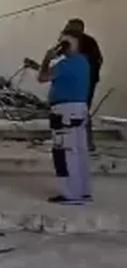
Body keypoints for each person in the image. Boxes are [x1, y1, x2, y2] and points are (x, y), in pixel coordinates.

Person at [24, 30, 91, 204]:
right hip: (79, 109)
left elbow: (43, 77)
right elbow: (52, 74)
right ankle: (82, 191)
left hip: (64, 112)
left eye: (62, 42)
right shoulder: (83, 62)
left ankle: (70, 194)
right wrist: (39, 65)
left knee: (64, 153)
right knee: (78, 151)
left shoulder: (67, 63)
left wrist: (47, 58)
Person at [63, 18, 103, 151]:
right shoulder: (66, 42)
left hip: (86, 81)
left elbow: (97, 60)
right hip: (72, 81)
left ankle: (88, 142)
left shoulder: (88, 42)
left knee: (83, 109)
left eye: (71, 28)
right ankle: (74, 140)